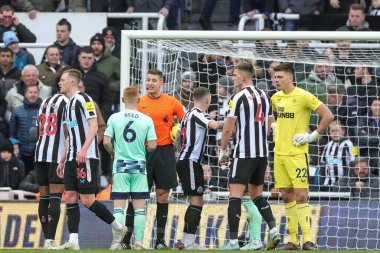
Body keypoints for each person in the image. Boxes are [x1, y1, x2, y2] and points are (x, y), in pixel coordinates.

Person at [54, 69, 126, 250]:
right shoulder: (67, 104)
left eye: (62, 80)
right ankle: (73, 241)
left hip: (85, 156)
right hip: (71, 157)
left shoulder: (84, 99)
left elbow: (94, 126)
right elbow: (70, 134)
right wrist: (62, 158)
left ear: (72, 82)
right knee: (70, 196)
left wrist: (84, 149)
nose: (59, 83)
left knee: (87, 200)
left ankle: (118, 228)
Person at [271, 63, 334, 250]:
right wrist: (274, 127)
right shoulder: (275, 98)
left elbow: (328, 115)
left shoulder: (304, 96)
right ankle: (293, 240)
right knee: (285, 195)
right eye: (275, 77)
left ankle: (308, 239)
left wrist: (312, 135)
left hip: (297, 154)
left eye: (280, 77)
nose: (276, 80)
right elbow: (272, 116)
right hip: (279, 153)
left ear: (290, 78)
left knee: (301, 195)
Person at [218, 61, 280, 250]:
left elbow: (228, 128)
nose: (233, 78)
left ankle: (233, 242)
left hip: (244, 153)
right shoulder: (265, 96)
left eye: (235, 75)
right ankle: (274, 229)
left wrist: (223, 151)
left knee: (234, 196)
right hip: (261, 154)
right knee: (257, 195)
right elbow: (271, 126)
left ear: (243, 77)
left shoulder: (237, 97)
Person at [123, 69, 185, 249]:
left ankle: (159, 241)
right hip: (142, 152)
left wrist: (178, 133)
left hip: (165, 151)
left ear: (161, 83)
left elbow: (184, 120)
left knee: (162, 196)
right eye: (148, 80)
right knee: (136, 196)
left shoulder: (171, 101)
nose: (150, 83)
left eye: (154, 80)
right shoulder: (139, 102)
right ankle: (126, 240)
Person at [103, 86, 157, 250]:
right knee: (139, 207)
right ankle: (139, 242)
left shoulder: (114, 118)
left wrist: (113, 153)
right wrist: (143, 151)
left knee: (120, 206)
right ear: (139, 100)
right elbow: (153, 145)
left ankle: (117, 243)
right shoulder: (146, 119)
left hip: (120, 164)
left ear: (123, 100)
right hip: (139, 165)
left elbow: (106, 142)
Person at [175, 87, 223, 249]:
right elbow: (215, 125)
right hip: (190, 161)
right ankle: (188, 242)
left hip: (186, 160)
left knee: (196, 200)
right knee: (197, 201)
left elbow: (177, 138)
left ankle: (185, 240)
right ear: (207, 100)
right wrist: (233, 119)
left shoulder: (187, 115)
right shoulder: (198, 114)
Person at [34, 90, 68, 249]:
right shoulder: (67, 103)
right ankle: (50, 240)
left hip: (40, 154)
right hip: (56, 156)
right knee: (56, 197)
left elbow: (37, 127)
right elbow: (69, 129)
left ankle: (47, 239)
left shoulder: (44, 102)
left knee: (44, 197)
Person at [9, 85, 41, 174]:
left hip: (37, 152)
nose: (33, 95)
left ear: (38, 94)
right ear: (26, 94)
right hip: (21, 152)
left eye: (35, 92)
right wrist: (15, 146)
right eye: (30, 92)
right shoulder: (17, 111)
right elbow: (12, 133)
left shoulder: (44, 111)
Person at [319, 120, 356, 191]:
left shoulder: (349, 144)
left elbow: (353, 163)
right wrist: (321, 182)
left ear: (343, 131)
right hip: (327, 185)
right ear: (329, 132)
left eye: (338, 130)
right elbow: (323, 164)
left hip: (342, 186)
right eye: (332, 131)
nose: (335, 133)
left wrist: (345, 180)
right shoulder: (328, 145)